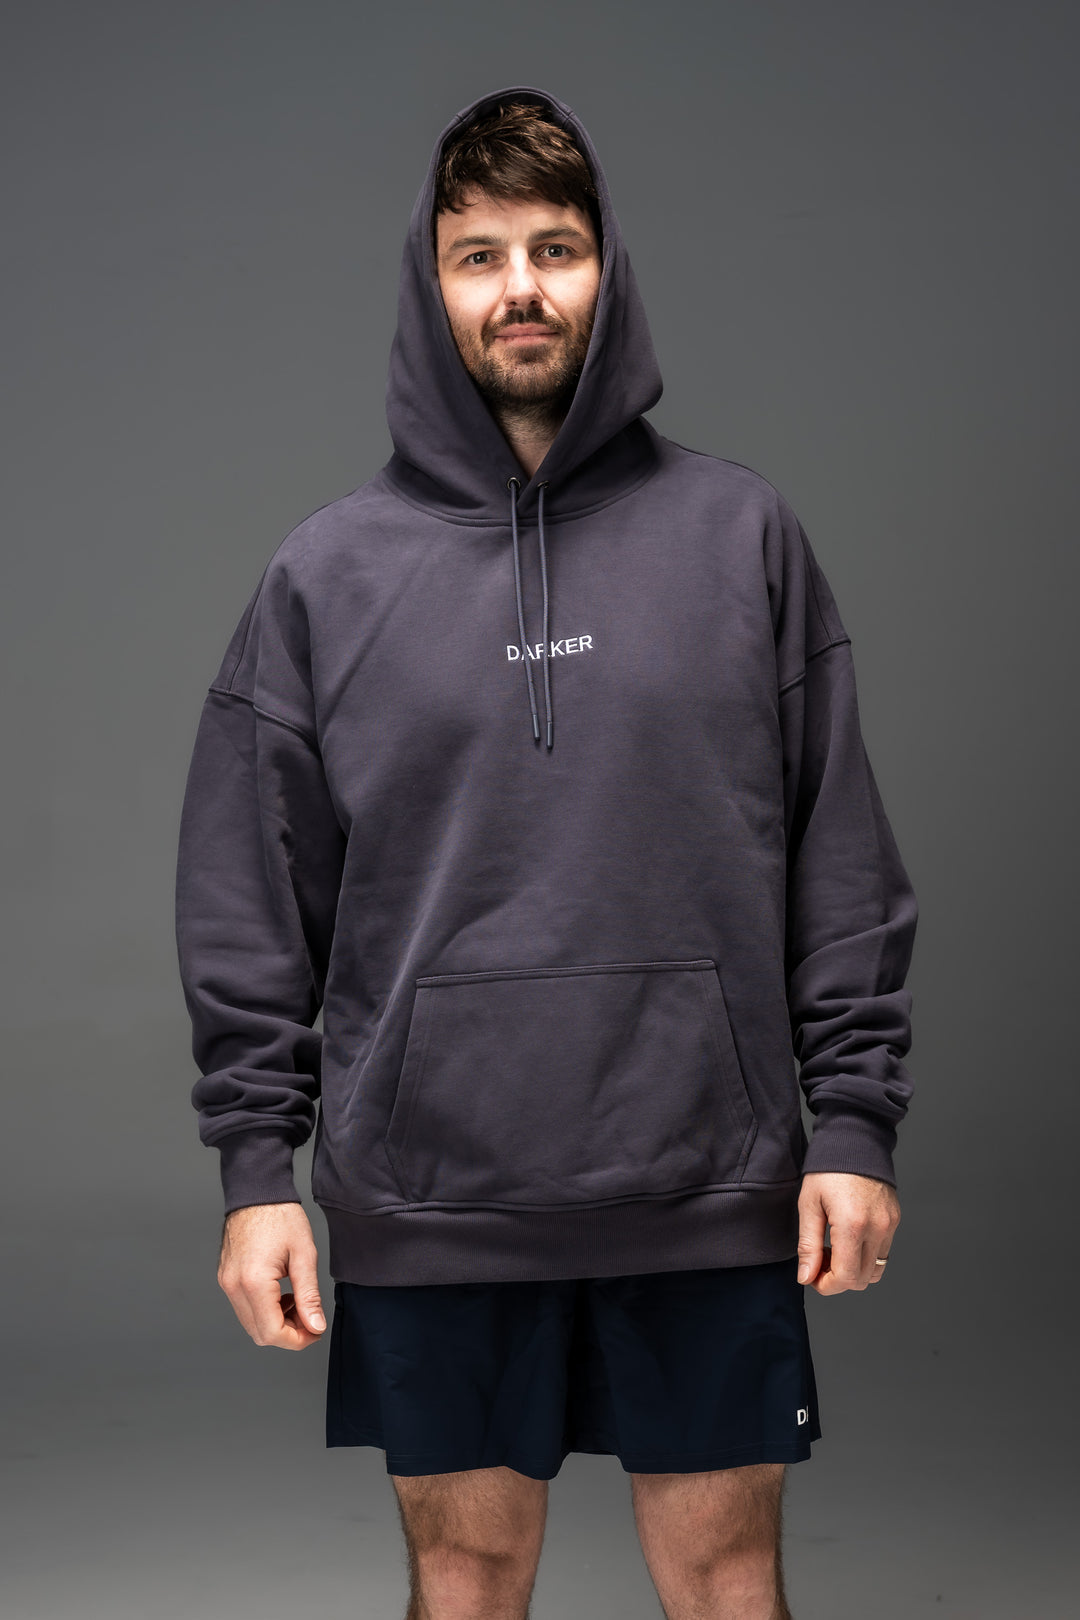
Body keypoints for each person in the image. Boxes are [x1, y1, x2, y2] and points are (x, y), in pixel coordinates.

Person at [175, 84, 918, 1620]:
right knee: (463, 1582)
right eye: (481, 256)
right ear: (431, 287)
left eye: (555, 250)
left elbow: (839, 860)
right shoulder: (325, 576)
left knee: (728, 1584)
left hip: (706, 1184)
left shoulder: (741, 538)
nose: (521, 288)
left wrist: (852, 1127)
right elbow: (248, 896)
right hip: (432, 1199)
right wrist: (258, 1173)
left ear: (606, 272)